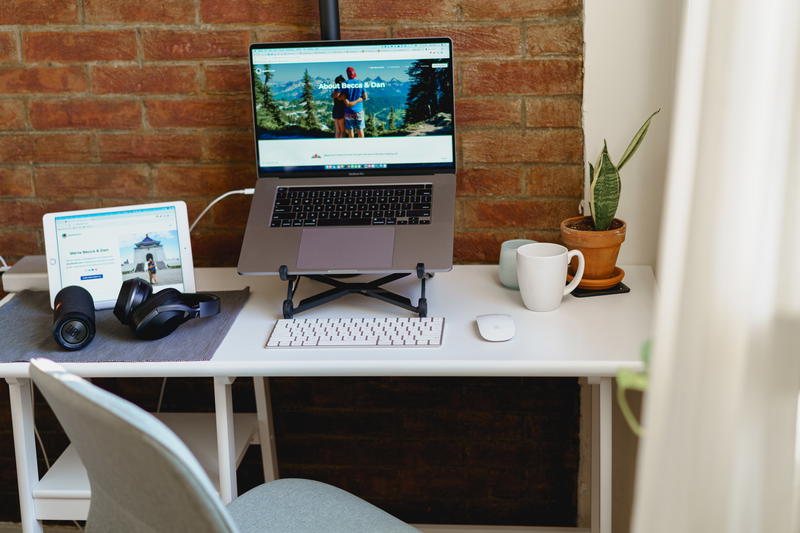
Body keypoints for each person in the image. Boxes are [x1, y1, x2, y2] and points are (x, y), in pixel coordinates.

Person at [342, 66, 368, 138]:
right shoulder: (360, 83)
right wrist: (359, 99)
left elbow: (342, 96)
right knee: (360, 130)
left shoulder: (345, 83)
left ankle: (352, 147)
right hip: (359, 110)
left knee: (350, 131)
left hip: (348, 111)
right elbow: (365, 97)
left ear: (347, 74)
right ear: (354, 73)